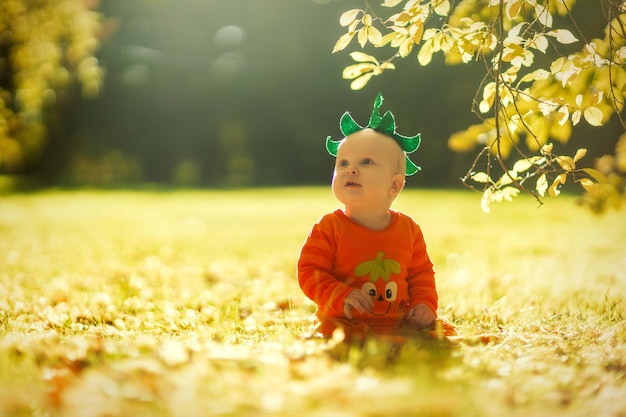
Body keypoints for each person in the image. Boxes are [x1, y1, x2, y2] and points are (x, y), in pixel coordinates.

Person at [297, 93, 456, 343]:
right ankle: (362, 338)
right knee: (332, 333)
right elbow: (310, 271)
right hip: (345, 318)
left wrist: (424, 304)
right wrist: (340, 295)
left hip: (400, 319)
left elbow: (421, 274)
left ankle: (398, 335)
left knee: (440, 332)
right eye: (343, 163)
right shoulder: (329, 227)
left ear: (394, 185)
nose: (350, 169)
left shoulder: (408, 228)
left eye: (366, 162)